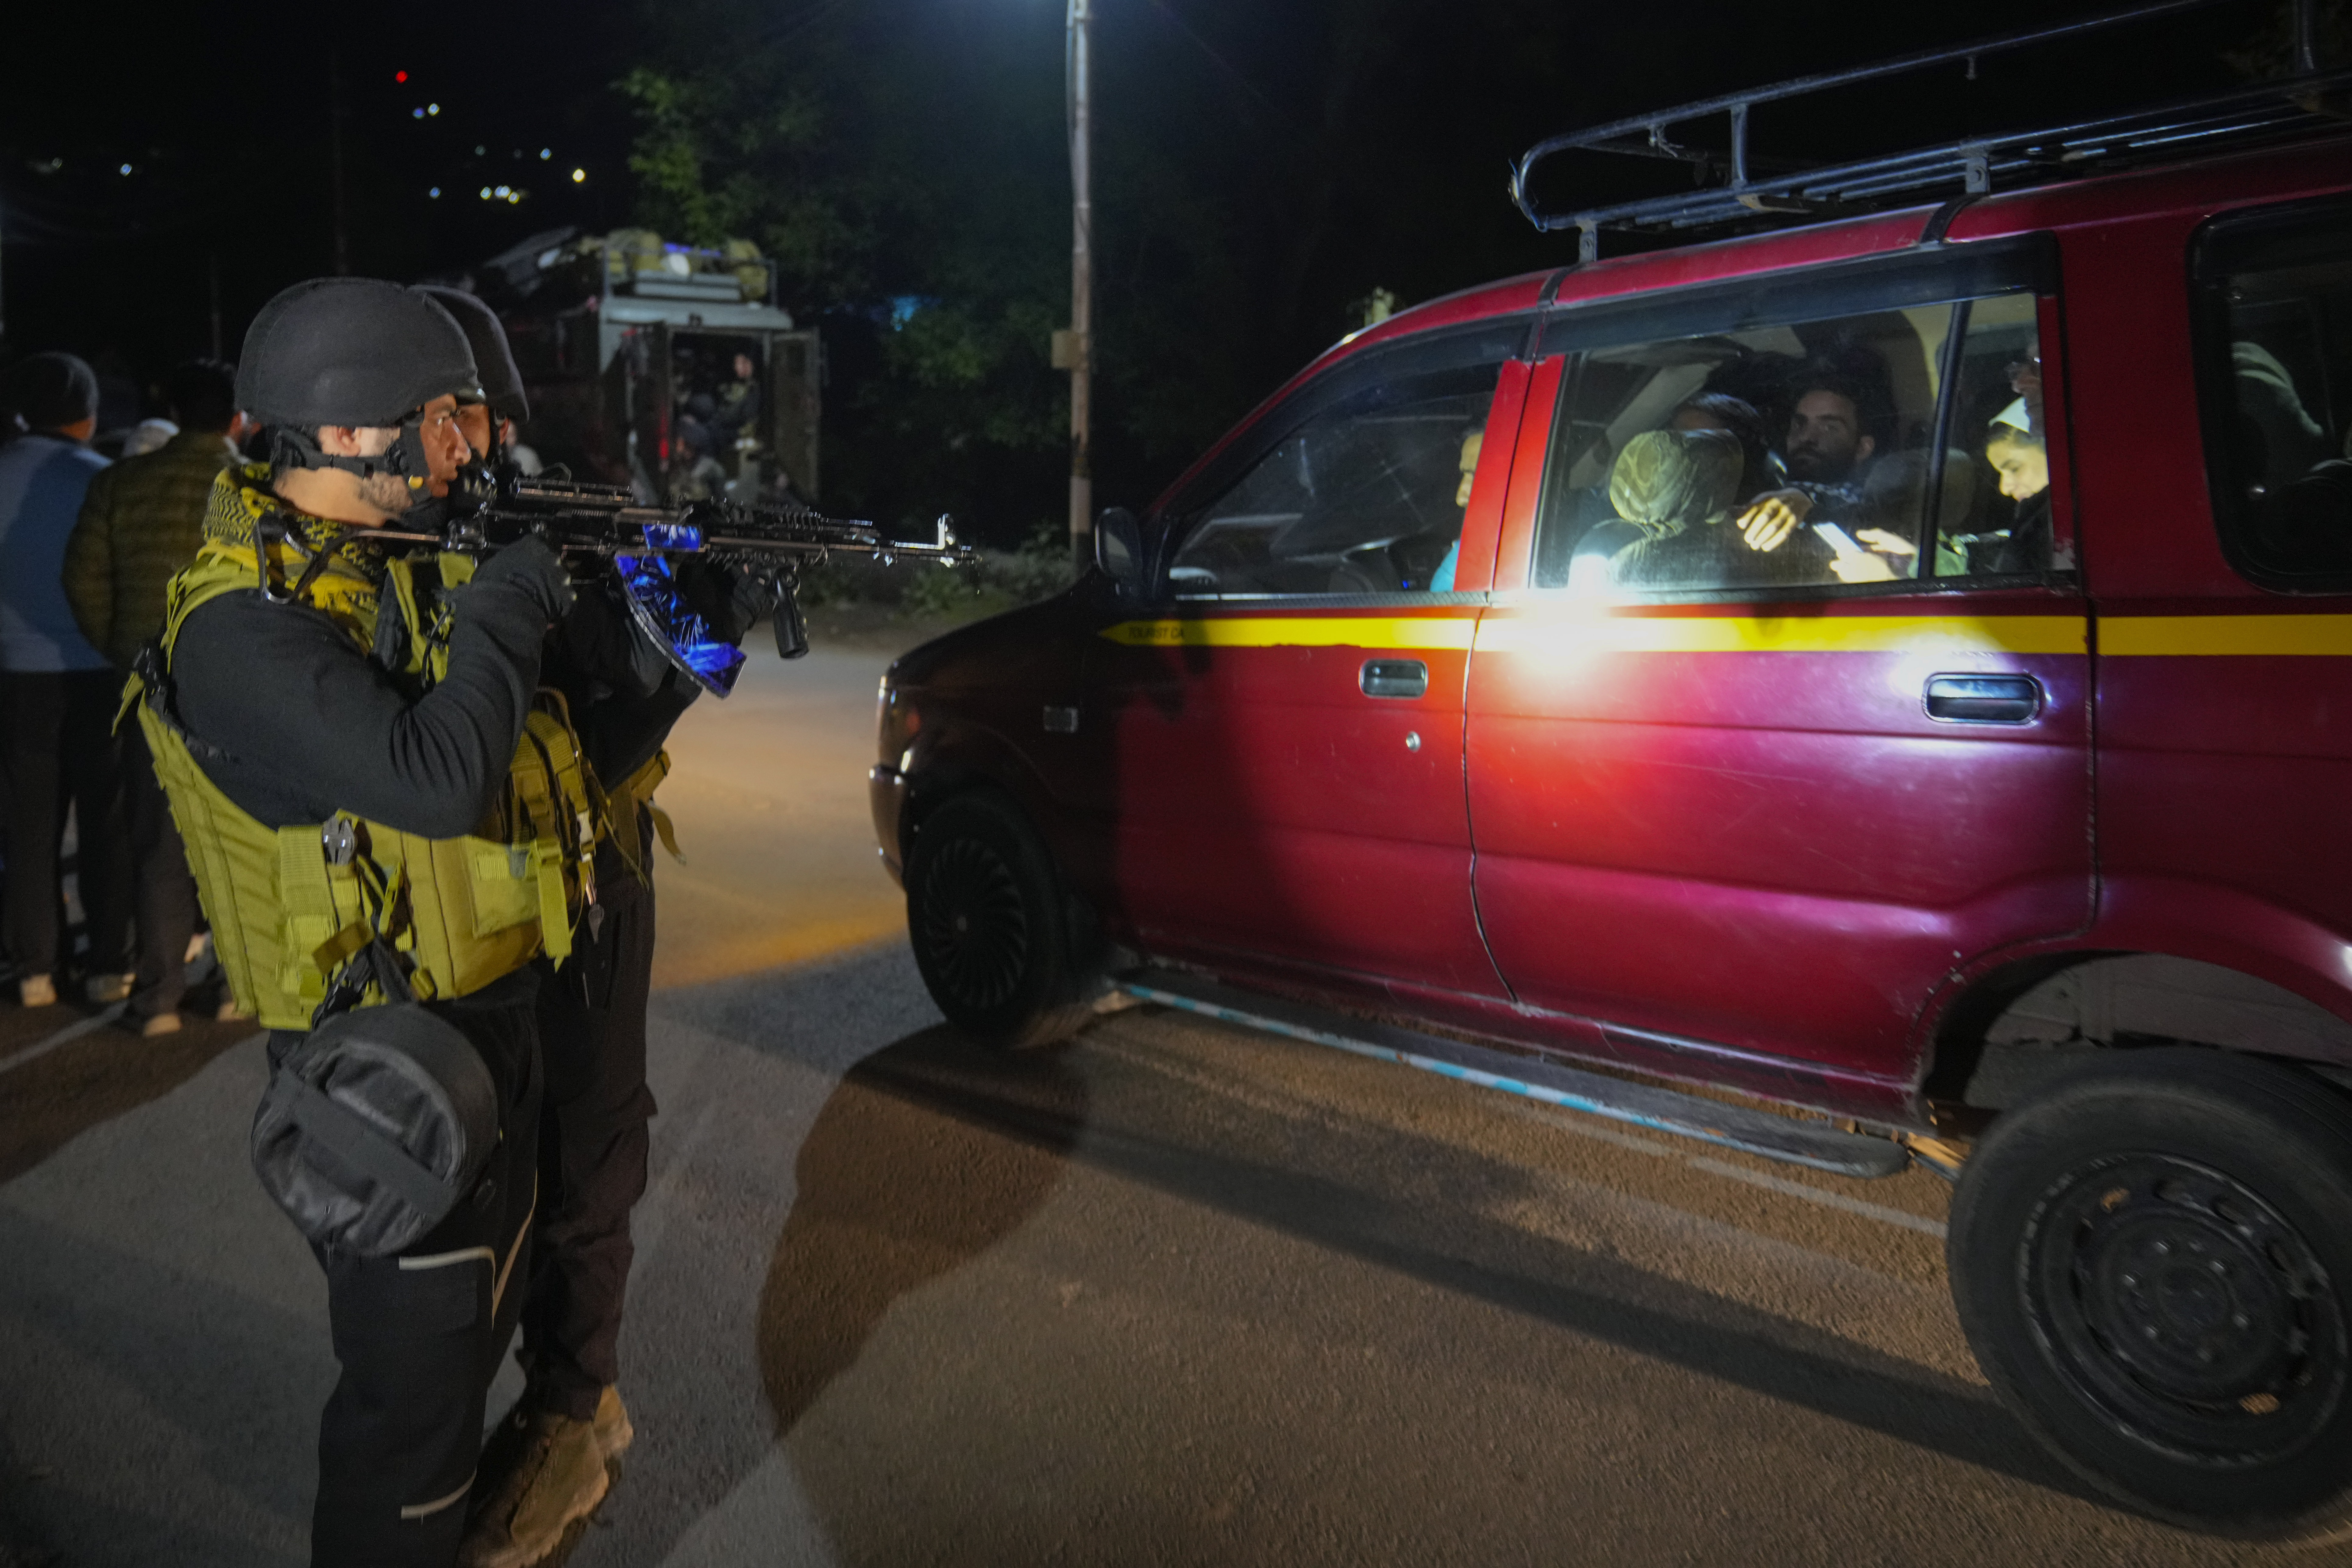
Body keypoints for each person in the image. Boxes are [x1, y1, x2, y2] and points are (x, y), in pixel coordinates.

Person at [133, 277, 585, 1566]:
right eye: (441, 420)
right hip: (383, 1079)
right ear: (340, 435)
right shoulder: (237, 628)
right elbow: (438, 782)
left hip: (483, 1023)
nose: (470, 448)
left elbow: (534, 754)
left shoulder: (382, 564)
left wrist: (673, 644)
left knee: (465, 1360)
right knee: (407, 1433)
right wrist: (510, 593)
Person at [412, 286, 771, 1568]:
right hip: (455, 906)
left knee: (588, 1151)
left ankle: (572, 1409)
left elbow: (626, 722)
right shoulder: (390, 527)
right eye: (429, 413)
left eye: (461, 410)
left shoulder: (562, 518)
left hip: (586, 882)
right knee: (481, 1172)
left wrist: (691, 623)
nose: (450, 437)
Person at [63, 358, 250, 1034]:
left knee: (158, 841)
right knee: (239, 838)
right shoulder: (256, 489)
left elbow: (82, 579)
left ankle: (160, 993)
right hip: (246, 688)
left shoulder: (120, 483)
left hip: (151, 683)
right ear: (237, 417)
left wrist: (122, 650)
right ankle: (234, 984)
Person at [0, 352, 133, 1008]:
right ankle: (109, 961)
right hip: (96, 671)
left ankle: (34, 968)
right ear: (87, 415)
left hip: (17, 675)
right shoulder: (102, 478)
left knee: (28, 827)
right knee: (105, 821)